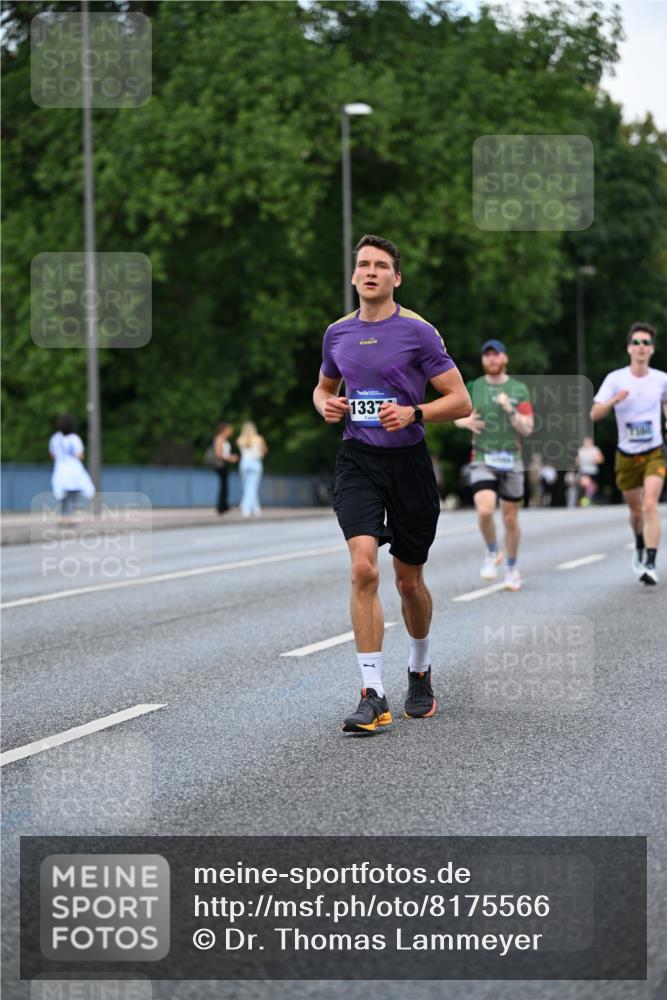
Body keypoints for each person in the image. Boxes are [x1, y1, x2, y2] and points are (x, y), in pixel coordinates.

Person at [313, 234, 471, 734]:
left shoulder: (418, 332)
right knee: (363, 570)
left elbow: (461, 401)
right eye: (364, 265)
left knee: (409, 581)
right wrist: (326, 405)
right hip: (358, 461)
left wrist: (414, 412)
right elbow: (324, 387)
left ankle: (419, 669)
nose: (372, 272)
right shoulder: (336, 334)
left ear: (396, 278)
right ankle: (372, 693)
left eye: (382, 265)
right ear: (355, 276)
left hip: (409, 465)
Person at [454, 340, 534, 591]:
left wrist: (509, 408)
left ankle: (511, 567)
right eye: (486, 355)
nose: (491, 359)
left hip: (511, 459)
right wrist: (464, 423)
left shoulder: (518, 389)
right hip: (482, 458)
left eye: (495, 354)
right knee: (485, 510)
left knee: (510, 518)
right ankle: (492, 552)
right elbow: (457, 415)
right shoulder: (473, 387)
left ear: (505, 359)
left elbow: (527, 427)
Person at [591, 322, 667, 585]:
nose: (641, 347)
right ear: (629, 348)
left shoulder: (661, 379)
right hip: (626, 454)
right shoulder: (616, 379)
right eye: (637, 342)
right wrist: (614, 401)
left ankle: (650, 563)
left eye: (646, 343)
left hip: (654, 452)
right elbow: (594, 414)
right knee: (636, 512)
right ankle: (638, 541)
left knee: (650, 505)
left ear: (652, 349)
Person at [48, 414, 95, 520]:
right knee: (73, 493)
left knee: (62, 494)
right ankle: (70, 517)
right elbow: (79, 455)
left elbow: (52, 454)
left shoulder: (55, 438)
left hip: (60, 468)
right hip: (73, 469)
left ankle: (64, 516)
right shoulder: (74, 439)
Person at [237, 421, 268, 518]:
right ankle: (245, 507)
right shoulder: (259, 439)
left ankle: (256, 509)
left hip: (244, 463)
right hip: (255, 463)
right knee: (252, 487)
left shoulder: (240, 439)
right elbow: (264, 451)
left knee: (248, 487)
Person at [213, 422, 238, 514]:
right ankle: (221, 506)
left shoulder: (224, 439)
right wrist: (230, 458)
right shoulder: (219, 439)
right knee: (223, 485)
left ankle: (224, 505)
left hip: (225, 464)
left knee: (225, 485)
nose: (231, 432)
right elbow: (218, 453)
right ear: (224, 430)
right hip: (221, 464)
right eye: (229, 430)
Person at [575, 436, 604, 507]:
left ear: (591, 442)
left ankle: (587, 500)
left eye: (588, 441)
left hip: (593, 471)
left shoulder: (595, 449)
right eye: (585, 441)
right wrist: (579, 461)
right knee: (586, 485)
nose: (586, 443)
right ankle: (585, 501)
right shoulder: (581, 450)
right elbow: (577, 461)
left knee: (593, 487)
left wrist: (594, 460)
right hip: (584, 471)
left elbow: (601, 459)